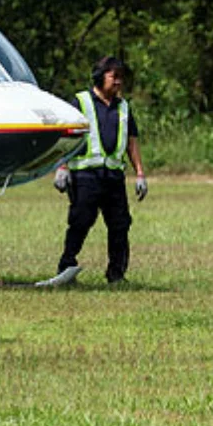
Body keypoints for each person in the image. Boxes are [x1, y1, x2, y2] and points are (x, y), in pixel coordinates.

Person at [49, 56, 146, 285]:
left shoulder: (124, 107)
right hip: (85, 175)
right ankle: (66, 266)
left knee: (120, 226)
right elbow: (66, 136)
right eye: (114, 77)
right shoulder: (80, 102)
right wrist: (61, 167)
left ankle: (116, 274)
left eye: (121, 78)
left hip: (113, 176)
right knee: (81, 221)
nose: (118, 82)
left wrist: (140, 173)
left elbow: (132, 141)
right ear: (100, 77)